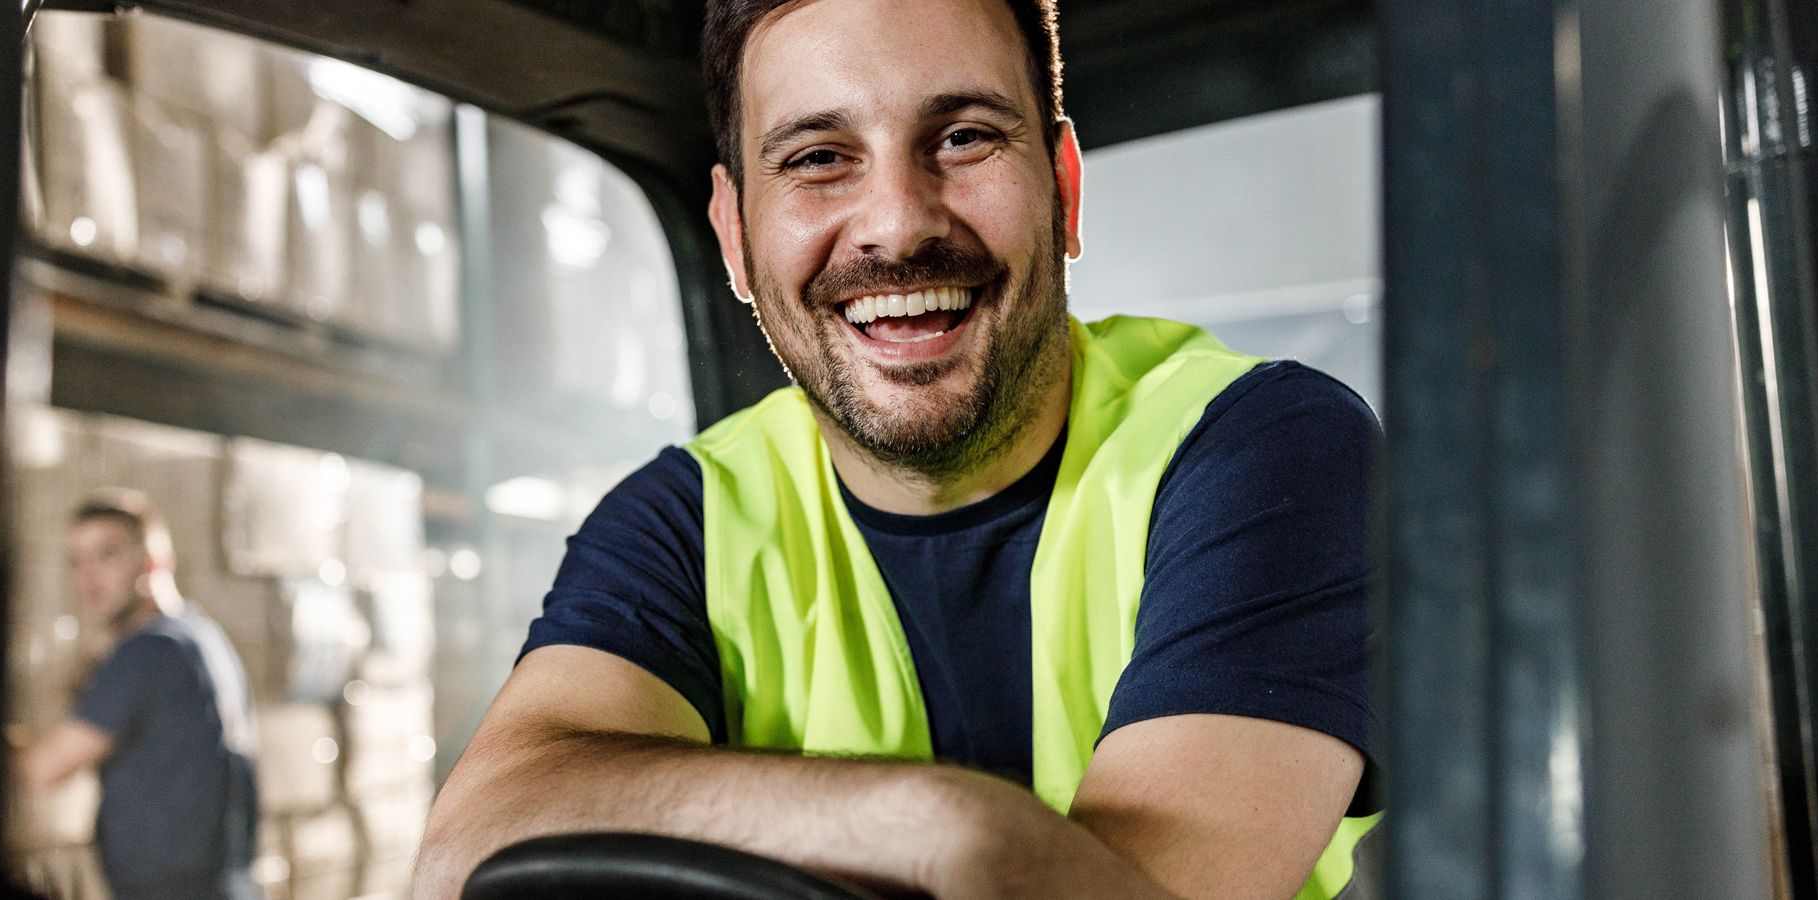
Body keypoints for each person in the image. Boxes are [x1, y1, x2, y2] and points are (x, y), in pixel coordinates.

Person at [415, 0, 1378, 896]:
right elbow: (467, 847)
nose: (898, 222)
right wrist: (937, 824)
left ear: (1065, 191)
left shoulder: (1261, 449)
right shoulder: (691, 515)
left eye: (962, 138)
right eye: (818, 158)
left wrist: (951, 837)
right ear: (735, 239)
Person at [17, 489, 262, 900]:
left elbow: (45, 768)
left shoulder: (147, 650)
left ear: (154, 562)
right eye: (77, 561)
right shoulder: (201, 635)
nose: (88, 577)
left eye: (106, 555)